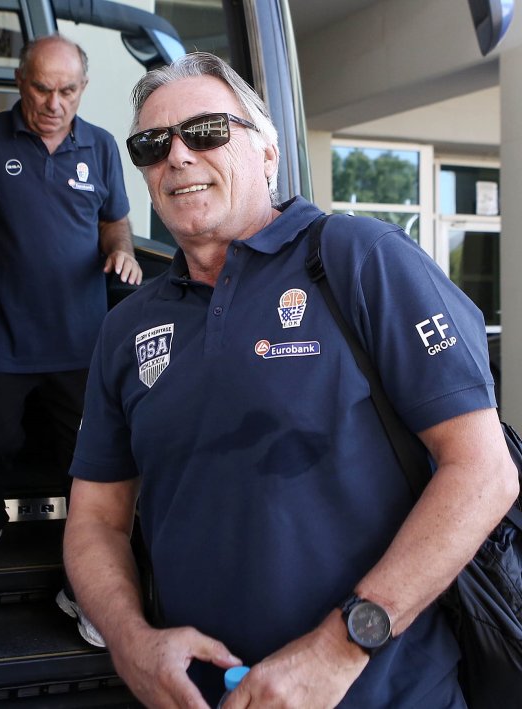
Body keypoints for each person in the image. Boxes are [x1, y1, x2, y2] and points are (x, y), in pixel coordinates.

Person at [62, 51, 519, 707]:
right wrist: (130, 640)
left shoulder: (360, 260)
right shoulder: (127, 328)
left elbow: (483, 472)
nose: (178, 156)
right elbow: (96, 520)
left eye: (206, 131)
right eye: (152, 145)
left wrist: (341, 646)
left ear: (268, 153)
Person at [0, 34, 142, 641]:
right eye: (42, 88)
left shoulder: (100, 146)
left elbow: (115, 223)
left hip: (79, 342)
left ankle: (86, 586)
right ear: (20, 82)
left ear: (83, 89)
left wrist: (123, 253)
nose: (54, 103)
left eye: (67, 91)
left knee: (83, 464)